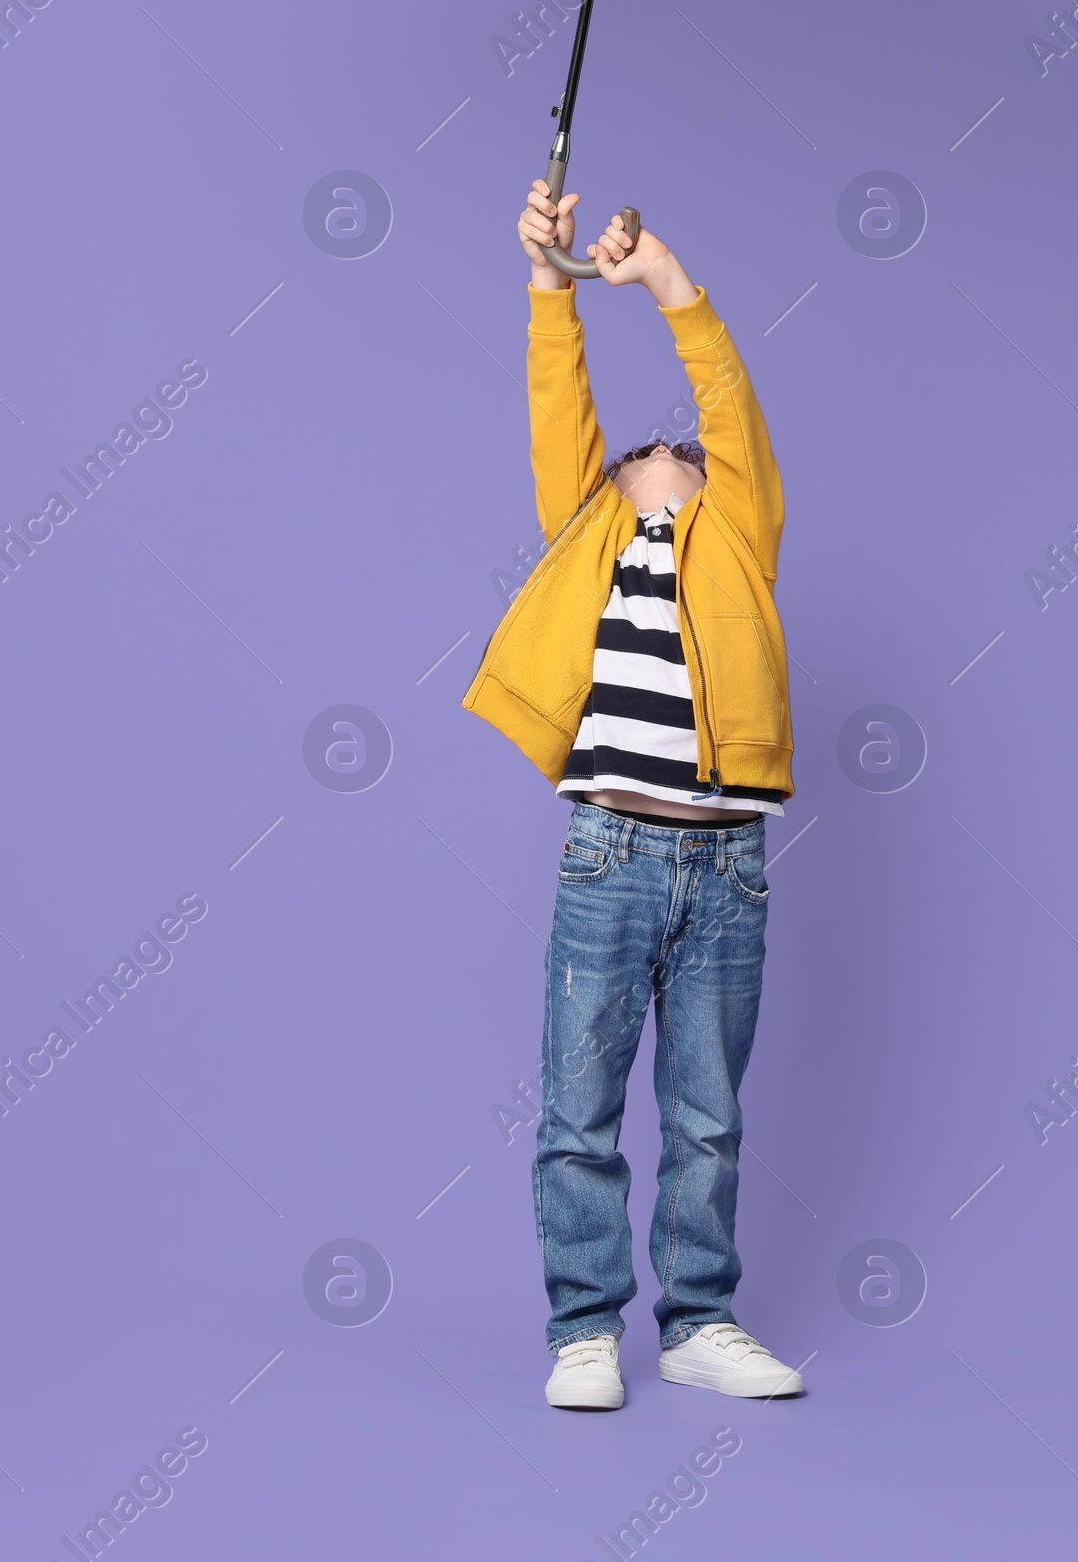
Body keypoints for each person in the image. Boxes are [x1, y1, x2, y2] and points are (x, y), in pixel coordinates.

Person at [462, 179, 803, 1410]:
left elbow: (728, 402)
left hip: (725, 863)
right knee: (579, 1108)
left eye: (684, 450)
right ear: (615, 485)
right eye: (641, 451)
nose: (665, 448)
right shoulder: (591, 530)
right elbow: (563, 407)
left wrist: (662, 276)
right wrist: (551, 277)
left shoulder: (737, 532)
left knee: (707, 1117)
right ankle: (582, 1332)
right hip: (609, 852)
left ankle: (700, 1322)